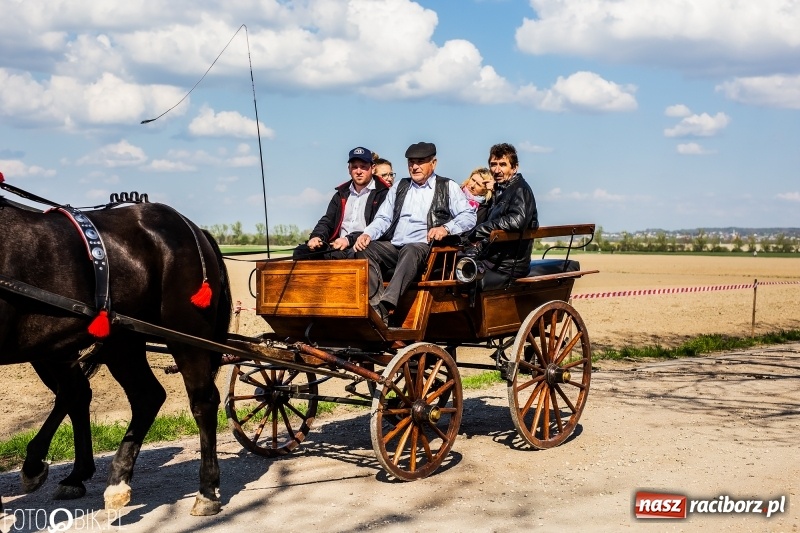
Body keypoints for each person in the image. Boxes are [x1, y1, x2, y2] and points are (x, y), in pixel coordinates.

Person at [354, 141, 476, 325]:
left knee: (411, 249)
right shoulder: (400, 187)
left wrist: (446, 228)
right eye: (411, 162)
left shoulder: (447, 186)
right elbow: (383, 218)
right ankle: (375, 307)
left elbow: (468, 216)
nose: (415, 166)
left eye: (420, 161)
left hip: (426, 250)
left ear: (433, 163)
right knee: (365, 249)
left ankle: (386, 305)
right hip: (396, 247)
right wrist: (368, 234)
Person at [293, 147, 391, 260]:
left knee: (337, 256)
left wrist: (348, 240)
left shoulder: (383, 194)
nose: (359, 171)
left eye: (363, 167)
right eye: (354, 167)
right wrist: (317, 237)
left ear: (372, 168)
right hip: (337, 245)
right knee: (301, 252)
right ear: (349, 169)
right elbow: (327, 221)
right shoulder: (341, 193)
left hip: (361, 246)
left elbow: (378, 227)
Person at [465, 143, 539, 289]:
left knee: (461, 274)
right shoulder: (502, 190)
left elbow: (517, 220)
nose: (497, 170)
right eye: (493, 164)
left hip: (507, 265)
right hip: (492, 259)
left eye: (503, 165)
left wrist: (481, 229)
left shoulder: (520, 190)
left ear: (514, 167)